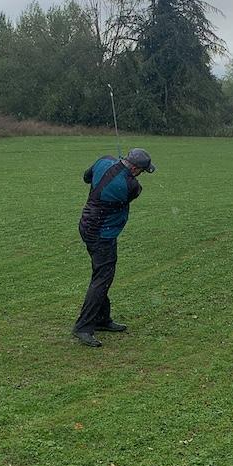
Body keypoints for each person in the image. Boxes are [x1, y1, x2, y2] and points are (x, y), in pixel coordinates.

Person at [73, 147, 155, 347]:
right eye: (141, 171)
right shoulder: (130, 186)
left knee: (101, 274)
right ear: (135, 169)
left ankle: (102, 319)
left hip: (87, 224)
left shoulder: (104, 160)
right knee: (102, 278)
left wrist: (113, 166)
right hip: (102, 233)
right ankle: (83, 327)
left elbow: (87, 177)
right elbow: (133, 189)